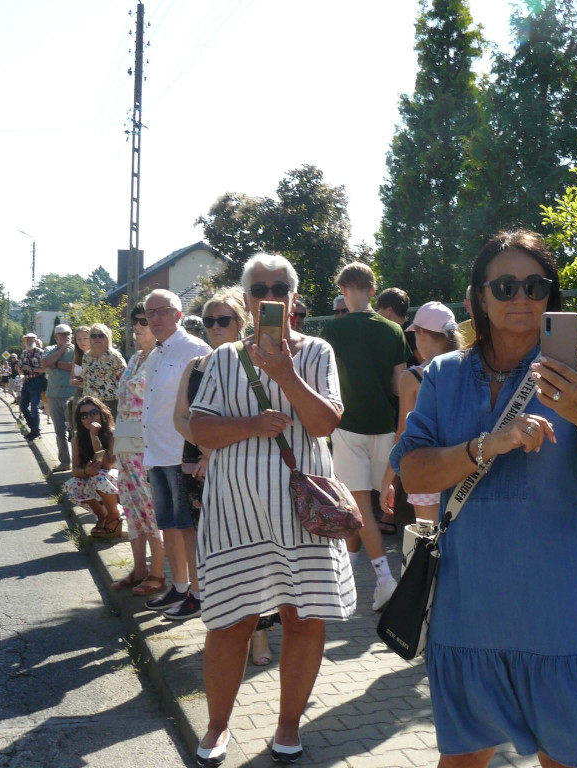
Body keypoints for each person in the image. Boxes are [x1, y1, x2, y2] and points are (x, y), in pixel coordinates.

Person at [391, 230, 577, 768]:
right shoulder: (443, 375)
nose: (522, 299)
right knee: (464, 757)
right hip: (471, 606)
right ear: (477, 300)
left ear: (551, 298)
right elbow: (412, 466)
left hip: (562, 605)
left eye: (536, 286)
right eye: (506, 285)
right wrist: (487, 445)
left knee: (576, 757)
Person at [188, 253, 354, 765]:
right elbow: (199, 430)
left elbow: (325, 423)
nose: (270, 296)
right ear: (247, 298)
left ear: (293, 296)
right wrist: (252, 425)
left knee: (302, 617)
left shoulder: (318, 351)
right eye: (259, 288)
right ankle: (218, 726)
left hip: (301, 514)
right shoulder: (222, 358)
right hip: (235, 512)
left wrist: (284, 372)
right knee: (231, 621)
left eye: (279, 287)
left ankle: (287, 725)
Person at [173, 286, 278, 667]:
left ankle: (260, 634)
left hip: (245, 468)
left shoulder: (256, 362)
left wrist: (218, 451)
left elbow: (266, 418)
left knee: (255, 552)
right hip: (200, 469)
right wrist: (206, 450)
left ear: (242, 322)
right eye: (208, 321)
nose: (215, 327)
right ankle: (225, 628)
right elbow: (180, 417)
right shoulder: (197, 366)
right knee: (215, 553)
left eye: (223, 320)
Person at [320, 262, 406, 611]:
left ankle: (385, 580)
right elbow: (398, 386)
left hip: (348, 426)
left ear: (344, 290)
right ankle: (347, 576)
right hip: (386, 426)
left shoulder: (333, 331)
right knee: (365, 508)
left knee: (360, 509)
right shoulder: (394, 331)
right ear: (373, 290)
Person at [141, 289, 211, 620]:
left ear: (178, 315)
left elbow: (207, 405)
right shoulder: (153, 355)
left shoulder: (196, 350)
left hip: (182, 453)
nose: (154, 318)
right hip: (156, 453)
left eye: (162, 311)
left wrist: (204, 453)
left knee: (187, 528)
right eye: (149, 313)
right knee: (167, 524)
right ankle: (179, 586)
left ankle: (198, 593)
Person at [380, 301, 462, 527]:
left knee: (429, 547)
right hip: (462, 468)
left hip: (426, 471)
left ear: (422, 333)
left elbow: (403, 434)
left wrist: (388, 482)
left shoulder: (413, 377)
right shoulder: (468, 369)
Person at [112, 302, 168, 596]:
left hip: (147, 446)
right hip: (126, 444)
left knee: (150, 510)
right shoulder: (134, 358)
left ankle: (158, 574)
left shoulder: (161, 358)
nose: (137, 326)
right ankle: (139, 569)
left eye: (143, 321)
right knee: (132, 508)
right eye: (135, 321)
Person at [64, 395, 123, 539]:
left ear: (101, 414)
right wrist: (85, 471)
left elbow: (108, 463)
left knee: (100, 476)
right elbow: (75, 470)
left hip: (117, 479)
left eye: (93, 413)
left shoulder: (112, 433)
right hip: (96, 479)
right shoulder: (78, 438)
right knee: (72, 485)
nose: (89, 418)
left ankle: (115, 517)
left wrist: (94, 436)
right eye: (84, 415)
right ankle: (103, 517)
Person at [41, 324, 78, 472]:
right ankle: (64, 462)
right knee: (59, 431)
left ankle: (77, 462)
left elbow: (75, 367)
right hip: (54, 395)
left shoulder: (76, 350)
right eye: (62, 334)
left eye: (68, 333)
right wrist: (61, 352)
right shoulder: (49, 349)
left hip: (71, 395)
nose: (66, 336)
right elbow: (44, 363)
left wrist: (55, 364)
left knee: (74, 431)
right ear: (56, 337)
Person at [80, 323, 126, 418]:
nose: (97, 339)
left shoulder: (114, 356)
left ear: (107, 337)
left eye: (101, 335)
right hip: (90, 403)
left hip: (111, 403)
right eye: (93, 336)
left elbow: (124, 380)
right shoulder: (86, 356)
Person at [18, 332, 46, 439]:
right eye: (27, 340)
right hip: (27, 381)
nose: (29, 341)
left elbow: (45, 369)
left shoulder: (40, 352)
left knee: (34, 407)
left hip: (37, 381)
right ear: (24, 341)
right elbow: (19, 366)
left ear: (35, 340)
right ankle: (34, 429)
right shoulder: (24, 353)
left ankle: (36, 430)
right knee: (23, 406)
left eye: (31, 340)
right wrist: (21, 376)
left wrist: (32, 369)